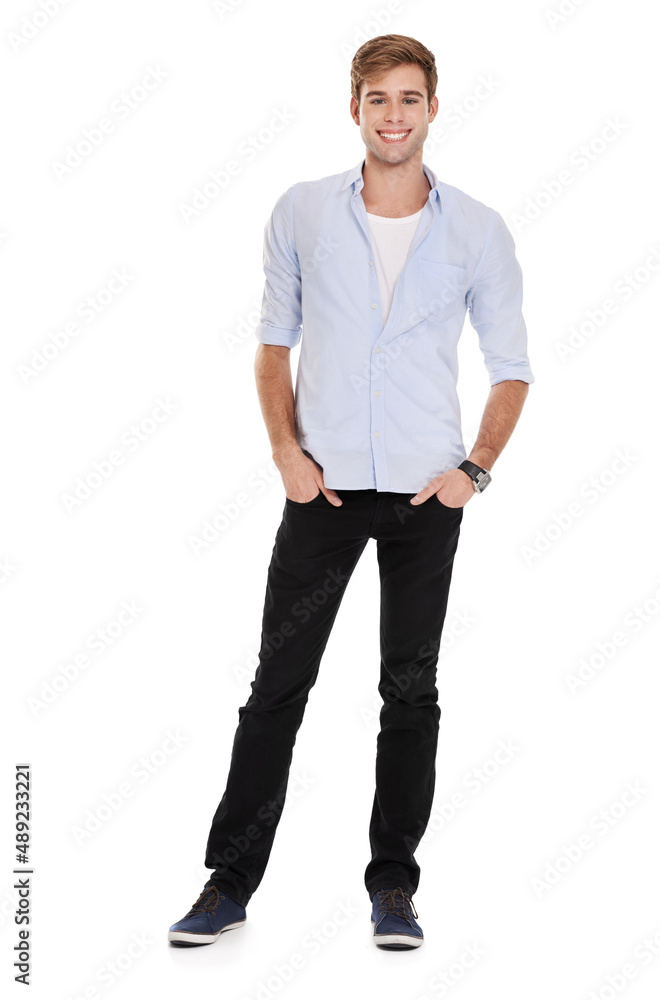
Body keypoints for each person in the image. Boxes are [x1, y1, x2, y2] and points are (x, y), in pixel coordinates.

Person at [169, 32, 534, 951]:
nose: (395, 115)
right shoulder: (300, 213)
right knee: (275, 690)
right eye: (378, 99)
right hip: (321, 494)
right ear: (354, 109)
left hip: (425, 500)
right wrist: (287, 451)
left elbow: (513, 369)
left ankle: (394, 889)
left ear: (434, 108)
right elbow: (270, 345)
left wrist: (473, 472)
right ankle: (228, 884)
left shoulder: (479, 229)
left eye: (410, 98)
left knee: (410, 694)